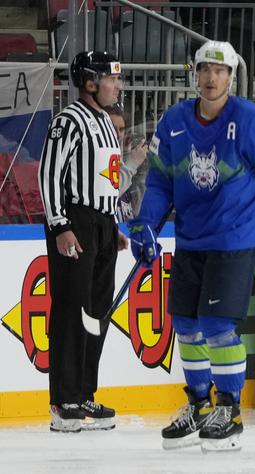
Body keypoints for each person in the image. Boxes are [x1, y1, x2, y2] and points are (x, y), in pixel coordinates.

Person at [129, 40, 255, 451]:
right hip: (191, 239)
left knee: (219, 327)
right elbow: (160, 182)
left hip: (236, 240)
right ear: (195, 73)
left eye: (219, 71)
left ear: (230, 77)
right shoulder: (173, 122)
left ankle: (230, 409)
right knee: (186, 325)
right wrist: (145, 224)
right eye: (205, 70)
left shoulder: (252, 120)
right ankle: (200, 404)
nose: (211, 78)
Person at [38, 51, 127, 432]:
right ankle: (64, 400)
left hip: (103, 224)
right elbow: (48, 175)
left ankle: (86, 393)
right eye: (110, 79)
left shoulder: (107, 122)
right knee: (71, 312)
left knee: (96, 315)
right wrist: (60, 227)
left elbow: (109, 177)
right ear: (90, 82)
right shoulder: (68, 121)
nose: (117, 86)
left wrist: (115, 223)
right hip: (76, 221)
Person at [104, 104, 149, 221]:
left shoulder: (122, 160)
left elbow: (137, 211)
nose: (118, 134)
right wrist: (133, 164)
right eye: (112, 128)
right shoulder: (95, 160)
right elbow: (109, 194)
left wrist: (141, 171)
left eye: (121, 129)